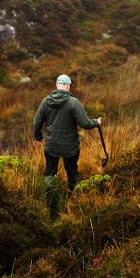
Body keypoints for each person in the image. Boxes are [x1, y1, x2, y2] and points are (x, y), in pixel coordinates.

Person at [33, 74, 101, 214]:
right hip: (70, 147)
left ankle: (49, 200)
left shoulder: (46, 101)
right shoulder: (73, 102)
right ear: (68, 86)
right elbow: (85, 124)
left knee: (50, 172)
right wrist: (97, 122)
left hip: (51, 146)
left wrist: (38, 136)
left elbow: (37, 122)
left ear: (57, 85)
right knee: (72, 173)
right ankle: (72, 199)